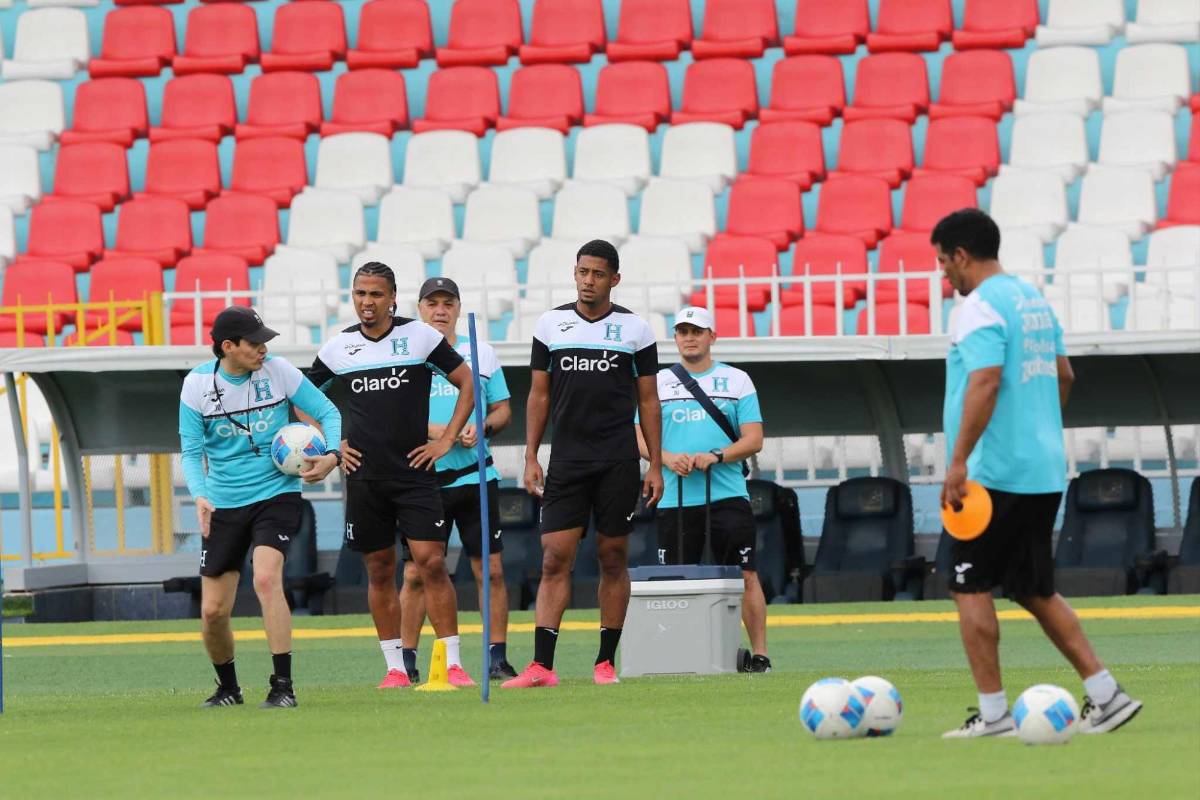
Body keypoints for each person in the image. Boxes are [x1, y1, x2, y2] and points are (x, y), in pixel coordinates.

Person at [933, 209, 1142, 738]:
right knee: (1033, 588)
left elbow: (984, 381)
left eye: (942, 263)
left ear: (961, 255)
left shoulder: (977, 307)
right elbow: (1064, 375)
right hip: (1042, 469)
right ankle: (1106, 695)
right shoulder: (1033, 301)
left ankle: (995, 715)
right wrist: (1036, 426)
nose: (943, 277)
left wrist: (958, 462)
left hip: (991, 475)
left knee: (969, 584)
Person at [307, 262, 478, 689]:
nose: (368, 303)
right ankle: (396, 669)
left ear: (393, 298)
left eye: (376, 294)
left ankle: (453, 664)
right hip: (365, 478)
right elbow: (304, 398)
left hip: (416, 474)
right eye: (361, 294)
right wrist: (332, 444)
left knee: (432, 563)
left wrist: (446, 440)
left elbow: (467, 382)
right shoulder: (337, 349)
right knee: (380, 570)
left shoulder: (420, 337)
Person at [504, 239, 663, 689]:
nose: (587, 281)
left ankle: (605, 662)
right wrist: (532, 455)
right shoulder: (551, 324)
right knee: (555, 556)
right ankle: (541, 666)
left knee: (612, 557)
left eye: (596, 274)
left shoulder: (636, 330)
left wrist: (654, 465)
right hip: (567, 461)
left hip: (617, 460)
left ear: (614, 279)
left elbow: (649, 401)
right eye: (581, 272)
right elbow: (539, 394)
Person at [179, 306, 342, 709]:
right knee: (213, 610)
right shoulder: (196, 385)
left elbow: (327, 411)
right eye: (255, 343)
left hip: (276, 494)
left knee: (267, 579)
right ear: (227, 346)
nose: (263, 349)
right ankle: (228, 688)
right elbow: (191, 451)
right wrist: (200, 494)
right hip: (222, 503)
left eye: (265, 340)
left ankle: (282, 686)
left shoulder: (280, 371)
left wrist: (333, 455)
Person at [635, 306, 770, 672]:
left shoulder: (737, 380)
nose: (689, 337)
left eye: (697, 331)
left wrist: (717, 455)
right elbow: (639, 438)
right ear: (675, 338)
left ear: (713, 336)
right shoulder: (658, 382)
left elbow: (754, 438)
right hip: (675, 499)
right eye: (682, 331)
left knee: (744, 575)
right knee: (676, 581)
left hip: (727, 496)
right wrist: (665, 458)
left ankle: (760, 655)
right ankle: (682, 654)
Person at [396, 277, 518, 681]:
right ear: (420, 308)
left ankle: (496, 656)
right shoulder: (406, 350)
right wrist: (443, 431)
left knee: (491, 570)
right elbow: (391, 416)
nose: (440, 310)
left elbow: (502, 408)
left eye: (448, 303)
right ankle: (406, 661)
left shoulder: (480, 351)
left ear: (458, 307)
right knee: (417, 572)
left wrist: (481, 426)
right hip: (422, 479)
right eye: (432, 303)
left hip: (476, 477)